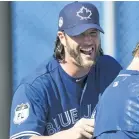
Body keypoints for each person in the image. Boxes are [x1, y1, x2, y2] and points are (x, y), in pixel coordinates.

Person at [9, 2, 122, 139]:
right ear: (62, 38)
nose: (88, 40)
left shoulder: (110, 70)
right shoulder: (34, 87)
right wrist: (68, 135)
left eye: (93, 33)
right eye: (79, 34)